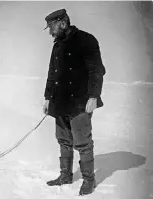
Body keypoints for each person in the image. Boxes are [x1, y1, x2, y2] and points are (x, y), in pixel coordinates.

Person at [42, 9, 106, 196]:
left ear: (62, 23)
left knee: (83, 143)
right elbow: (52, 74)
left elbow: (97, 71)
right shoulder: (58, 45)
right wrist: (47, 98)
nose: (50, 32)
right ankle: (65, 175)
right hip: (60, 101)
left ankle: (89, 180)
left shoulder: (86, 40)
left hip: (80, 101)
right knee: (63, 140)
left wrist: (93, 97)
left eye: (52, 27)